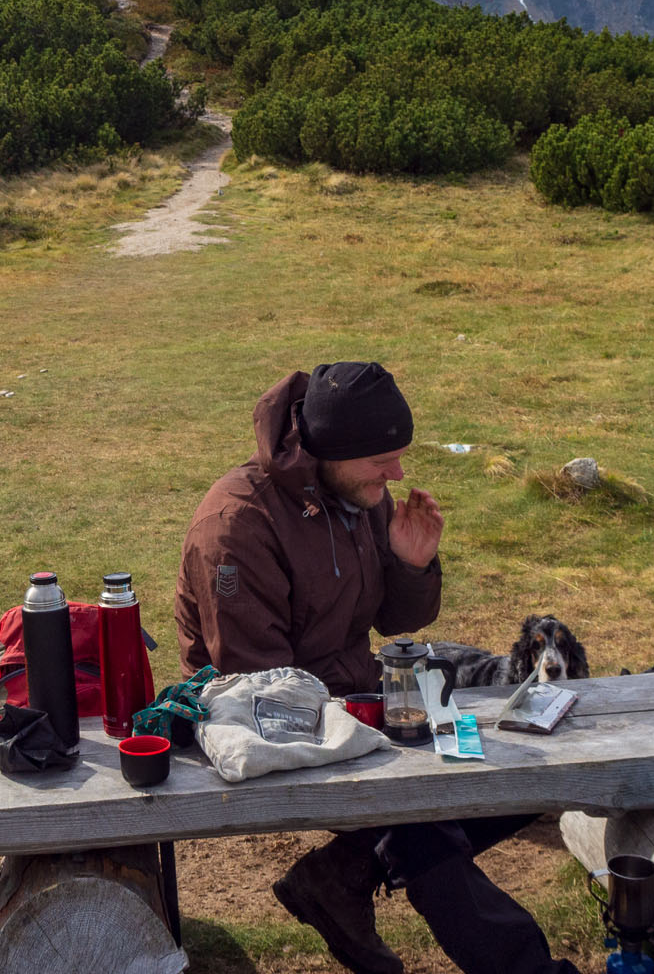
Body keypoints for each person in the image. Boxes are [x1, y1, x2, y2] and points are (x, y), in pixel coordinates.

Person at [177, 362, 578, 974]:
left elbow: (390, 619)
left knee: (514, 763)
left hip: (358, 693)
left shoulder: (353, 489)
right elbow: (258, 687)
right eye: (380, 461)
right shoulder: (238, 524)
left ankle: (343, 873)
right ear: (329, 450)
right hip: (269, 717)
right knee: (423, 825)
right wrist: (378, 731)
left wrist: (411, 564)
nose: (394, 475)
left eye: (398, 458)